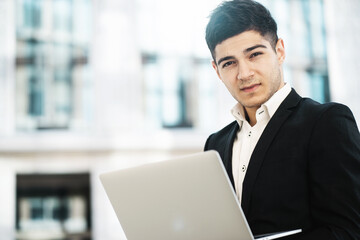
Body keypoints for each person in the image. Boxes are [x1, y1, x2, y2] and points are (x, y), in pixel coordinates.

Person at [203, 0, 360, 239]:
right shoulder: (216, 144)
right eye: (229, 63)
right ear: (217, 71)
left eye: (254, 54)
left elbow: (348, 231)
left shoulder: (326, 123)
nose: (244, 73)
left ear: (279, 51)